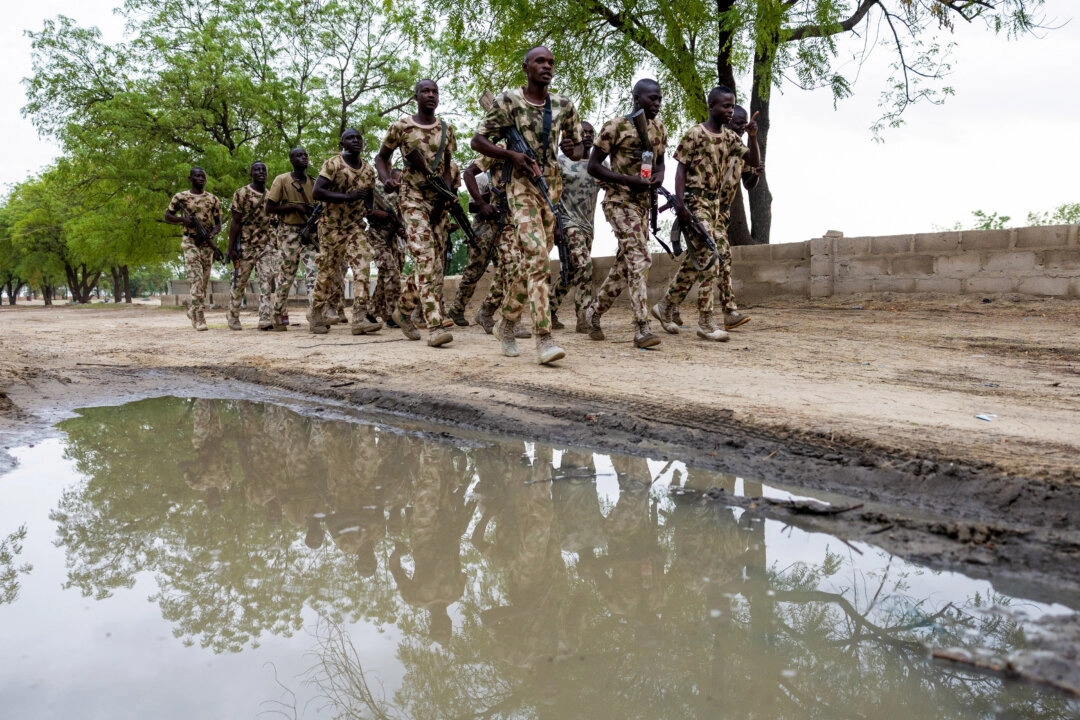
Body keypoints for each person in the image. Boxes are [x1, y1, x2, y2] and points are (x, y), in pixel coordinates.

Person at [471, 46, 584, 364]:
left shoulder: (564, 105)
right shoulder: (509, 100)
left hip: (550, 189)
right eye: (540, 61)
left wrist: (572, 147)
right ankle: (544, 338)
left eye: (551, 61)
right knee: (536, 258)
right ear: (526, 67)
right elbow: (478, 141)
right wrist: (511, 155)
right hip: (519, 189)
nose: (547, 66)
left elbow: (577, 152)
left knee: (530, 265)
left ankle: (506, 323)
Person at [651, 86, 761, 341]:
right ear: (712, 106)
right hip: (695, 201)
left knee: (707, 256)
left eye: (732, 106)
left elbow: (754, 162)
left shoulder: (731, 138)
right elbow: (680, 170)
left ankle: (666, 305)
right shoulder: (696, 134)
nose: (729, 111)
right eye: (725, 106)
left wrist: (753, 137)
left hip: (715, 207)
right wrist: (681, 204)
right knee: (711, 254)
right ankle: (706, 322)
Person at [583, 79, 667, 349]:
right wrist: (627, 180)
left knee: (624, 267)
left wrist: (658, 177)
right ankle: (642, 327)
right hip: (619, 202)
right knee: (641, 259)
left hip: (642, 205)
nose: (657, 103)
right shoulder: (615, 126)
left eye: (659, 99)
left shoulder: (658, 128)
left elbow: (661, 162)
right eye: (652, 98)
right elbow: (593, 167)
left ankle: (594, 312)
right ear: (637, 98)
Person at [376, 79, 457, 347]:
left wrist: (445, 195)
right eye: (426, 91)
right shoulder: (401, 126)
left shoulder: (446, 129)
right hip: (411, 197)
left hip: (436, 202)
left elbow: (447, 166)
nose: (431, 95)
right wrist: (386, 177)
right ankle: (434, 325)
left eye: (435, 91)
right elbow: (381, 157)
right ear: (416, 96)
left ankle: (403, 311)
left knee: (433, 264)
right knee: (424, 255)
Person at [310, 128, 382, 335]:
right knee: (327, 271)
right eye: (350, 138)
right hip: (331, 227)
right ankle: (316, 313)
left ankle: (360, 316)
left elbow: (369, 192)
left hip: (355, 226)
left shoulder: (368, 170)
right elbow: (317, 192)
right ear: (342, 144)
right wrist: (347, 198)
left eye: (358, 138)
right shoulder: (333, 164)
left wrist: (368, 210)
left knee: (363, 265)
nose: (355, 141)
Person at [551, 121, 601, 333]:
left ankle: (549, 308)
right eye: (584, 132)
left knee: (573, 272)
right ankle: (584, 317)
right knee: (584, 265)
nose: (588, 135)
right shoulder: (561, 163)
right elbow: (551, 195)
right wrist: (554, 226)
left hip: (589, 226)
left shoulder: (598, 166)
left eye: (591, 132)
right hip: (567, 222)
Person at [165, 167, 223, 332]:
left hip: (206, 243)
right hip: (190, 242)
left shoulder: (213, 199)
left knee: (203, 283)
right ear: (190, 178)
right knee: (196, 280)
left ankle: (192, 309)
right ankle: (199, 317)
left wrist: (210, 234)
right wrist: (183, 220)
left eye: (203, 176)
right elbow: (167, 216)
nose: (201, 178)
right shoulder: (180, 197)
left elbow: (219, 223)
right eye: (197, 176)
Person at [267, 147, 318, 331]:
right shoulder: (282, 180)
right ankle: (278, 312)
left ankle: (315, 314)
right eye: (298, 155)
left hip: (310, 233)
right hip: (288, 232)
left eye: (305, 154)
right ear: (291, 160)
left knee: (314, 273)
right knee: (286, 276)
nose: (303, 157)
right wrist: (294, 208)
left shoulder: (313, 182)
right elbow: (270, 208)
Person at [225, 162, 277, 330]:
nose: (261, 172)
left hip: (266, 246)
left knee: (266, 281)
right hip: (245, 245)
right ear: (251, 173)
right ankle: (233, 315)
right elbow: (235, 222)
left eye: (264, 170)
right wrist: (231, 248)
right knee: (240, 282)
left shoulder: (271, 196)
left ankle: (264, 317)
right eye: (257, 169)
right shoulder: (242, 193)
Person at [368, 167, 405, 327]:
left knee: (386, 276)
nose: (399, 183)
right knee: (391, 271)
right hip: (377, 233)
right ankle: (391, 315)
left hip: (392, 236)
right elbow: (363, 208)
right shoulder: (376, 188)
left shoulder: (400, 197)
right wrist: (375, 212)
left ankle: (371, 311)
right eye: (397, 179)